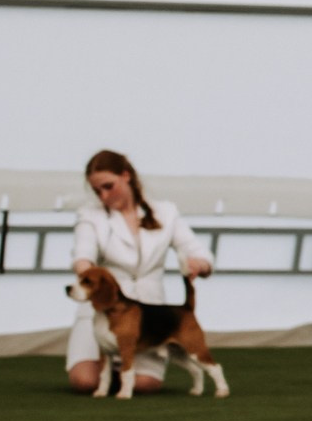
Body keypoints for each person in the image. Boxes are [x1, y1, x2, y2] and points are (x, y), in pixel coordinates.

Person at [66, 150, 215, 395]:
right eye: (97, 191)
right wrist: (84, 269)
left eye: (108, 186)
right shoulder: (89, 215)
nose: (103, 196)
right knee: (84, 382)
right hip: (104, 310)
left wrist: (200, 264)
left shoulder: (166, 212)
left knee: (145, 386)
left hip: (148, 317)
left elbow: (199, 252)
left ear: (126, 176)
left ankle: (121, 369)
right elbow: (82, 253)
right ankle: (114, 367)